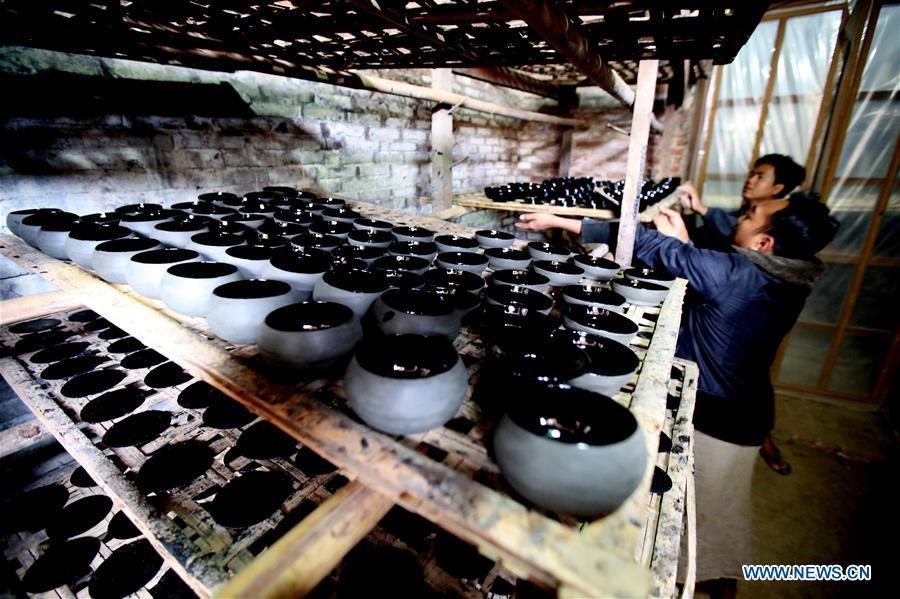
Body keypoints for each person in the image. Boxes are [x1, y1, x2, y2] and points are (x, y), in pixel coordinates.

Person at [518, 192, 838, 595]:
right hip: (745, 408)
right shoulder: (789, 276)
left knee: (687, 515)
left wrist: (561, 220)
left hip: (717, 415)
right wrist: (686, 248)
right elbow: (719, 280)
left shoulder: (739, 274)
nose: (739, 217)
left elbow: (647, 243)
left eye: (750, 215)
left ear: (763, 244)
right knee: (718, 509)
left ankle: (686, 583)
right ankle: (717, 580)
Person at [679, 154, 807, 251]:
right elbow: (692, 240)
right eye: (751, 174)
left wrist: (701, 209)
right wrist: (689, 210)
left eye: (760, 177)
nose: (750, 180)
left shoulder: (770, 229)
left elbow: (733, 231)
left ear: (777, 188)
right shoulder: (737, 214)